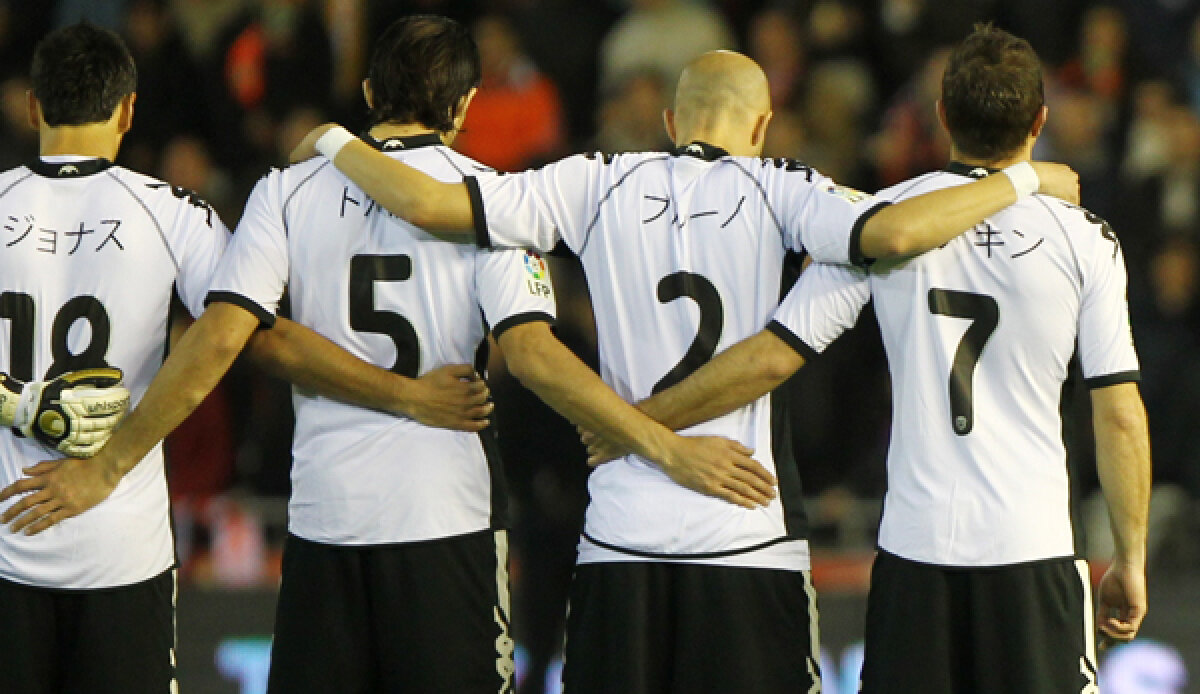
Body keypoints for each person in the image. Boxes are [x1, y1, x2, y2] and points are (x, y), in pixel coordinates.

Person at [0, 17, 773, 694]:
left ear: (369, 92)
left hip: (326, 522)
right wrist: (653, 441)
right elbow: (533, 354)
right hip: (447, 521)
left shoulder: (287, 191)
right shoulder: (490, 199)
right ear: (465, 105)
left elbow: (248, 332)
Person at [288, 48, 1080, 692]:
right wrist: (1024, 178)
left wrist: (333, 141)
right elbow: (898, 233)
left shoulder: (593, 180)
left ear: (671, 123)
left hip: (618, 544)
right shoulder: (786, 189)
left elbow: (428, 204)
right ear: (762, 125)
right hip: (747, 538)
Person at [586, 26, 1151, 694]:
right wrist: (1130, 559)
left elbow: (771, 357)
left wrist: (637, 423)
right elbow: (1119, 414)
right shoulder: (1085, 240)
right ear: (1039, 122)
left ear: (942, 116)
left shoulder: (879, 222)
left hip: (916, 554)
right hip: (1035, 550)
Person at [0, 22, 501, 694]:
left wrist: (17, 402)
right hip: (118, 547)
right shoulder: (173, 214)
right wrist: (110, 463)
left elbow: (242, 328)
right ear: (127, 110)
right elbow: (240, 333)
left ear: (33, 106)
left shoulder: (281, 191)